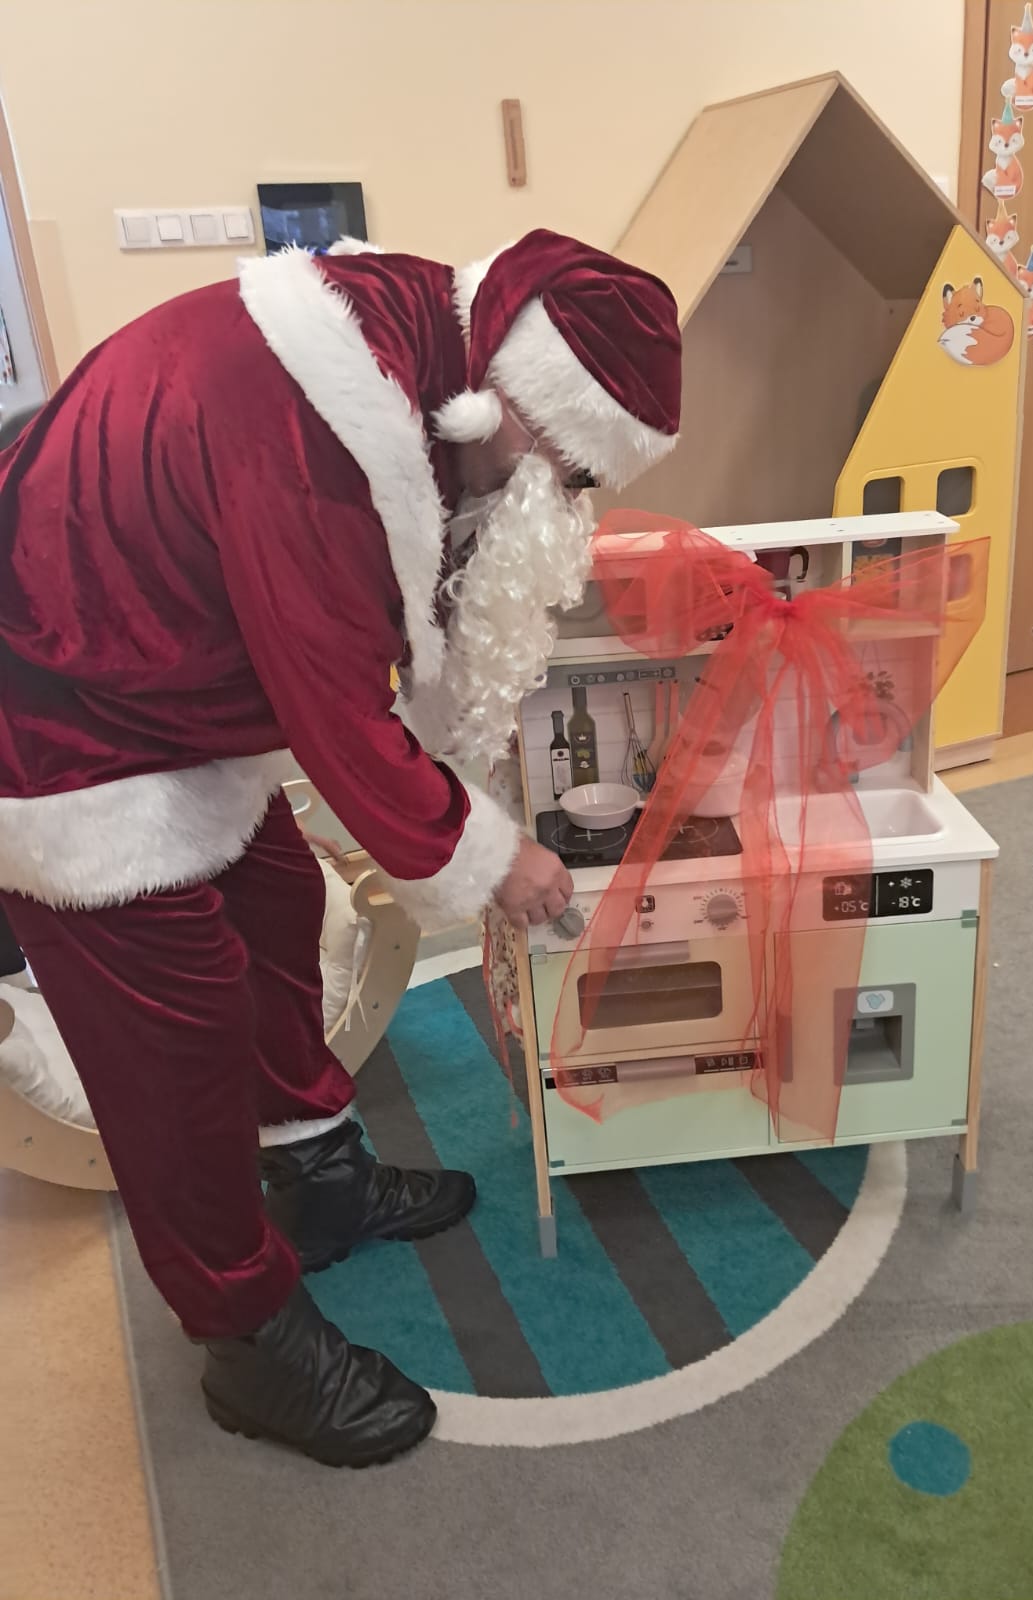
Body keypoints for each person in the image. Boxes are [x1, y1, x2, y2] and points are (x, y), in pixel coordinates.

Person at [0, 229, 681, 1466]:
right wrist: (496, 860)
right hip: (54, 727)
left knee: (272, 904)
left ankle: (314, 1179)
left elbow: (384, 627)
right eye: (575, 471)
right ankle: (247, 1340)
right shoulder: (313, 441)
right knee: (176, 1031)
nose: (570, 503)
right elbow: (340, 714)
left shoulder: (425, 357)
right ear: (524, 401)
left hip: (167, 681)